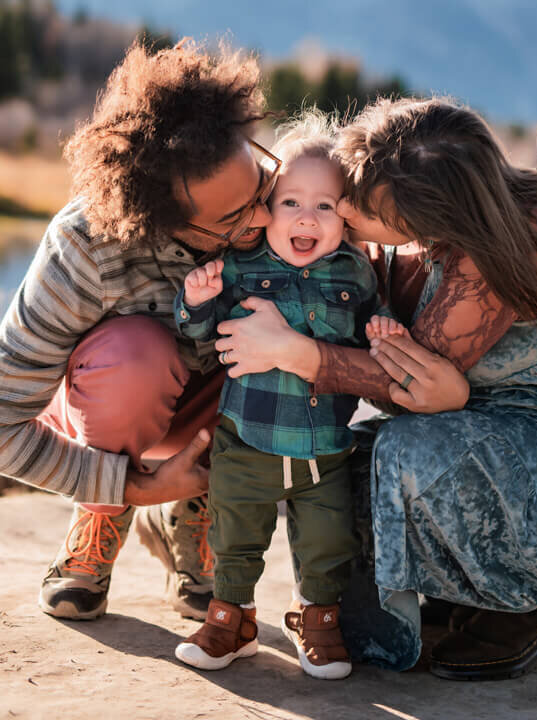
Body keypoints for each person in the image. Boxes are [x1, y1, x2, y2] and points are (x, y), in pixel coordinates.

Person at [207, 96, 537, 680]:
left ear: (421, 211)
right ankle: (462, 593)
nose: (343, 203)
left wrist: (295, 353)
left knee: (407, 453)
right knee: (342, 467)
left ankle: (527, 606)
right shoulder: (403, 236)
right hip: (491, 435)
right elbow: (418, 386)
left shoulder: (515, 240)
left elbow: (412, 390)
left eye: (361, 201)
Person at [0, 39, 277, 623]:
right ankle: (102, 515)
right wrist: (130, 486)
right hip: (113, 406)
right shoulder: (85, 247)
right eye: (234, 219)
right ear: (162, 222)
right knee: (134, 352)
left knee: (286, 352)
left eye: (262, 188)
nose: (266, 219)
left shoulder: (287, 210)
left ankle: (196, 512)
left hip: (218, 406)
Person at [172, 114, 392, 679]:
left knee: (327, 541)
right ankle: (232, 618)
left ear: (346, 216)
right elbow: (202, 336)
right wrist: (197, 302)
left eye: (325, 206)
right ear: (267, 206)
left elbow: (374, 327)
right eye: (291, 202)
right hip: (247, 439)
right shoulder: (241, 271)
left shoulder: (356, 274)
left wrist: (386, 329)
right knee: (235, 532)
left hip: (325, 448)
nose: (306, 218)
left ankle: (317, 618)